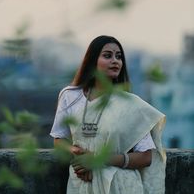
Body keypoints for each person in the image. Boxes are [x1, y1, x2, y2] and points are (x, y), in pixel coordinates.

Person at [50, 35, 166, 194]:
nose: (115, 61)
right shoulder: (70, 96)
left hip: (120, 185)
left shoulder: (130, 104)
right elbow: (59, 139)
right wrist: (77, 154)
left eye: (119, 57)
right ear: (92, 60)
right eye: (107, 56)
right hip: (81, 181)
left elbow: (146, 157)